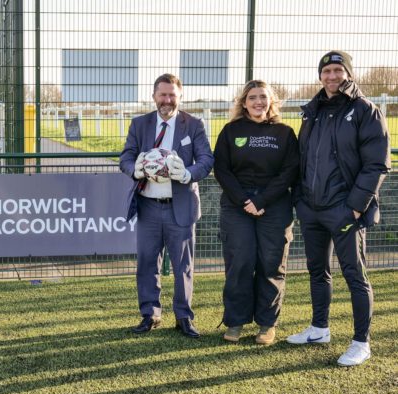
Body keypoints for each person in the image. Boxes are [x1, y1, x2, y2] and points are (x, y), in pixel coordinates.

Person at [286, 51, 390, 366]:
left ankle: (362, 342)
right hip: (312, 209)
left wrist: (355, 208)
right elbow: (304, 159)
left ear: (348, 73)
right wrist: (301, 200)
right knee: (318, 271)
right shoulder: (312, 111)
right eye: (326, 71)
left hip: (344, 211)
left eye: (337, 70)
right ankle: (320, 328)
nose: (332, 76)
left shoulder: (364, 111)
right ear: (320, 75)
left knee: (354, 275)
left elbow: (376, 165)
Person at [120, 73, 214, 338]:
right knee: (147, 262)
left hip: (180, 206)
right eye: (162, 94)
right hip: (148, 206)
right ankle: (150, 313)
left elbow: (206, 159)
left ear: (179, 96)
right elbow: (125, 156)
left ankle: (183, 316)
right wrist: (135, 170)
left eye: (172, 95)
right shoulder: (140, 124)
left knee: (183, 265)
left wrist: (187, 174)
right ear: (154, 96)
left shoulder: (193, 125)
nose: (167, 100)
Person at [213, 80, 299, 345]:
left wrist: (262, 199)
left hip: (274, 204)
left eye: (263, 97)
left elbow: (290, 171)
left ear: (271, 101)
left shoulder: (284, 132)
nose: (258, 102)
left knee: (271, 264)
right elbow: (222, 170)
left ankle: (266, 324)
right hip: (237, 205)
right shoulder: (231, 131)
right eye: (252, 97)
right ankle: (235, 321)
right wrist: (244, 200)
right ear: (244, 102)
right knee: (240, 263)